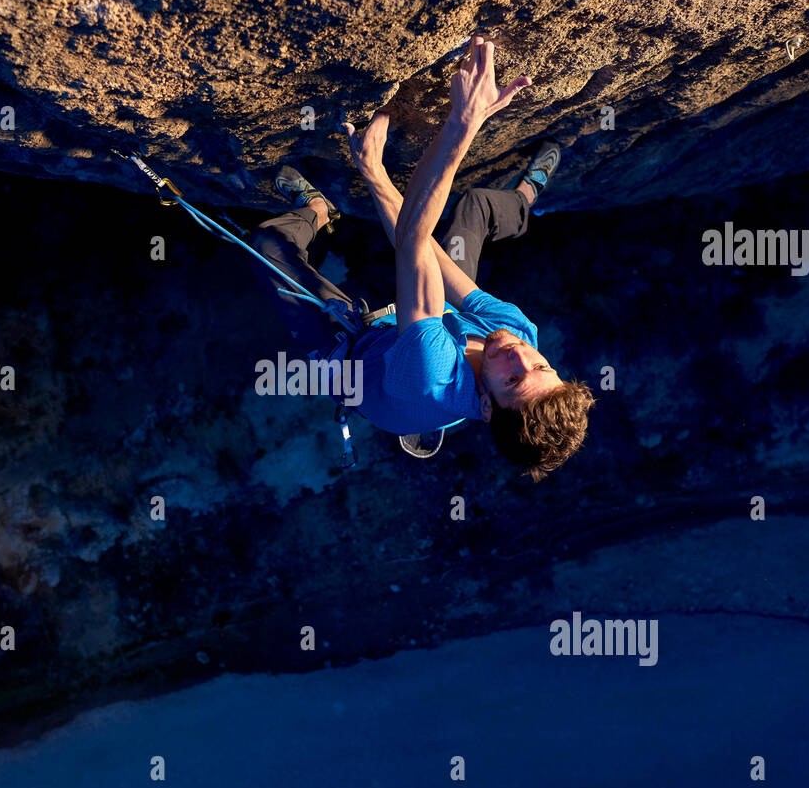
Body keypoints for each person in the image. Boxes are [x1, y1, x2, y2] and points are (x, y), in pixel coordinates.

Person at [246, 37, 595, 481]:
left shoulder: (431, 378)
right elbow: (420, 245)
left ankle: (317, 210)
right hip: (430, 323)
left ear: (486, 406)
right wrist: (373, 172)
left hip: (354, 356)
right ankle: (527, 197)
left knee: (267, 244)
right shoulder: (518, 336)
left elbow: (413, 239)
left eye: (512, 380)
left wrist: (462, 125)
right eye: (542, 365)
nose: (521, 355)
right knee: (476, 208)